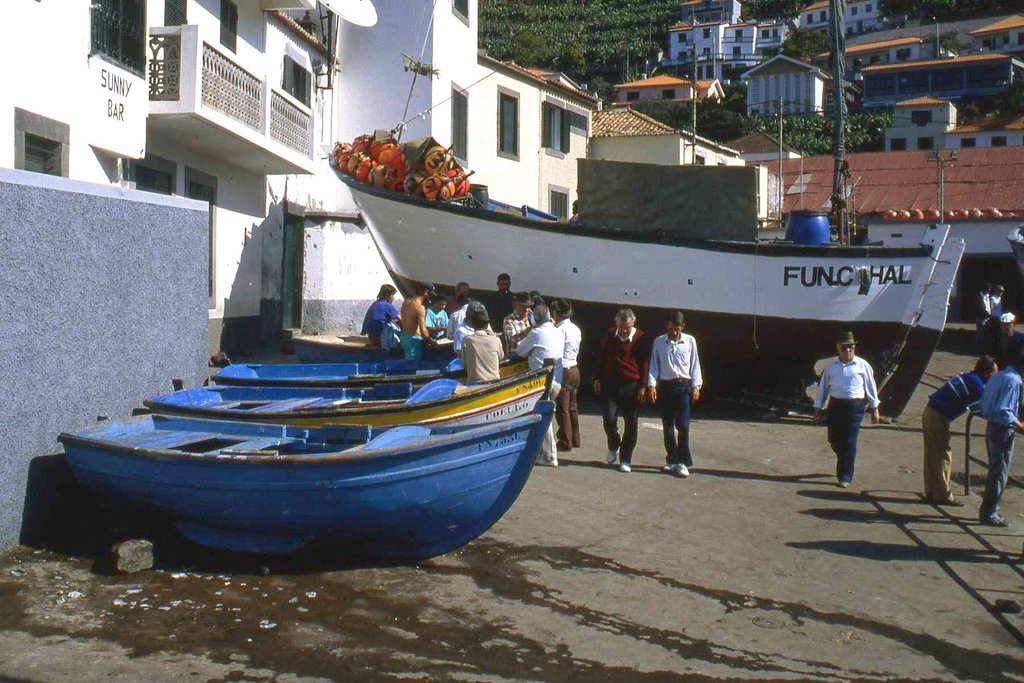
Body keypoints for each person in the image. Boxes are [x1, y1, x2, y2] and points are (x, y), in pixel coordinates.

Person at [922, 355, 998, 506]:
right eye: (994, 374)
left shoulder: (968, 376)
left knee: (933, 454)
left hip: (931, 411)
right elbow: (984, 409)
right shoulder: (978, 385)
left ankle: (932, 492)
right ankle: (942, 495)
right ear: (986, 373)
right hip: (938, 416)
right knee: (943, 455)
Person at [813, 331, 881, 488]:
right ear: (838, 348)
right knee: (834, 439)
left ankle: (845, 476)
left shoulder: (863, 366)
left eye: (851, 347)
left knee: (850, 441)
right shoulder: (831, 367)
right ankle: (842, 456)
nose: (848, 351)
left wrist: (874, 409)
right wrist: (817, 408)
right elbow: (823, 389)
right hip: (836, 405)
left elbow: (871, 388)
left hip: (854, 406)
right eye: (844, 348)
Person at [646, 311, 703, 478]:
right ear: (666, 326)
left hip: (683, 385)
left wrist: (696, 386)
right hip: (665, 385)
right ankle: (672, 459)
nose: (674, 332)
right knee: (668, 425)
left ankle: (684, 461)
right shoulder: (659, 342)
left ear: (682, 327)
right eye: (671, 329)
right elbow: (654, 365)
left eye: (677, 329)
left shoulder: (690, 341)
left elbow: (695, 364)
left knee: (683, 425)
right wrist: (651, 384)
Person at [593, 309, 650, 473]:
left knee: (631, 424)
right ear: (616, 324)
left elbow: (644, 364)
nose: (624, 330)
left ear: (633, 323)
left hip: (631, 385)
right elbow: (601, 357)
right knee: (609, 419)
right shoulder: (610, 335)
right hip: (611, 383)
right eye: (621, 327)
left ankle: (626, 458)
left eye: (627, 327)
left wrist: (643, 386)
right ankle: (614, 443)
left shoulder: (640, 338)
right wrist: (597, 377)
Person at [977, 347, 1024, 527]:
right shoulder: (1013, 381)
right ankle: (990, 512)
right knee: (999, 473)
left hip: (991, 426)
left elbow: (986, 403)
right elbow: (1004, 411)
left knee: (995, 471)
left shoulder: (998, 376)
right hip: (1001, 430)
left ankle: (988, 510)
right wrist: (1020, 426)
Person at [516, 305, 564, 467]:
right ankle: (543, 452)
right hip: (557, 380)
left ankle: (550, 456)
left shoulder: (536, 333)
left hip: (542, 383)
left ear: (535, 320)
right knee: (546, 415)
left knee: (544, 417)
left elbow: (520, 351)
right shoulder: (558, 331)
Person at [550, 298, 582, 452]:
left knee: (563, 407)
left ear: (557, 313)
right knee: (572, 407)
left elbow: (555, 350)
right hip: (574, 367)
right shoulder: (575, 328)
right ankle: (575, 437)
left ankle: (565, 440)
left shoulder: (559, 330)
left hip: (564, 369)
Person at [461, 304, 503, 383]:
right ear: (487, 325)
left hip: (474, 384)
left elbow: (465, 365)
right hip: (495, 382)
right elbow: (500, 358)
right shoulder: (496, 340)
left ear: (471, 324)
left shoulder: (466, 341)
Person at [398, 283, 432, 361]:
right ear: (426, 293)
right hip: (413, 340)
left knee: (408, 363)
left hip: (403, 337)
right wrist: (429, 340)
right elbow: (423, 329)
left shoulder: (406, 302)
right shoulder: (420, 308)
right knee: (412, 367)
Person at [976, 283, 993, 352]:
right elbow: (980, 307)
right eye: (988, 289)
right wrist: (986, 313)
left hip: (987, 316)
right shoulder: (979, 296)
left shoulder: (987, 296)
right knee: (980, 333)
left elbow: (988, 305)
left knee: (986, 333)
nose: (989, 290)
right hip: (981, 316)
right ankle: (978, 348)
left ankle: (984, 347)